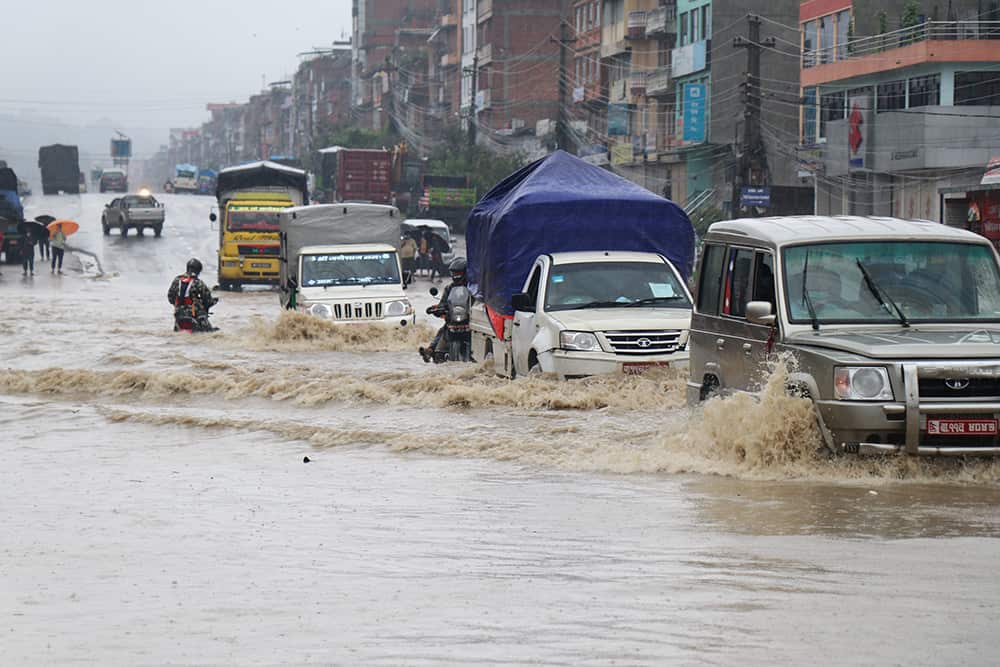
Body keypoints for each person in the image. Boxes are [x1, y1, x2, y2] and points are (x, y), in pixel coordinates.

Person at [419, 257, 467, 363]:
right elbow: (443, 304)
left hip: (470, 320)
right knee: (444, 330)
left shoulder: (473, 288)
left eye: (458, 273)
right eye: (454, 273)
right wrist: (436, 309)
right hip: (453, 320)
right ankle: (431, 350)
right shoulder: (449, 288)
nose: (456, 275)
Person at [167, 258, 217, 331]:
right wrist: (211, 302)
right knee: (210, 332)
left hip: (178, 314)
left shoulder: (176, 280)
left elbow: (170, 297)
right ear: (198, 271)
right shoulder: (198, 283)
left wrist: (179, 305)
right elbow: (208, 299)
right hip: (195, 315)